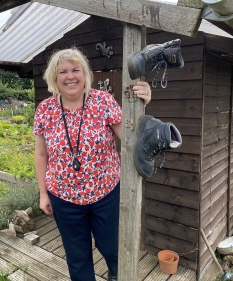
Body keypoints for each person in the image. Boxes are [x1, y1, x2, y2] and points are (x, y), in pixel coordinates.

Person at [33, 48, 152, 281]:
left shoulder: (103, 101)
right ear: (54, 78)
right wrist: (43, 194)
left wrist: (142, 105)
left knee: (112, 249)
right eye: (63, 71)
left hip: (105, 193)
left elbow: (131, 139)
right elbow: (40, 154)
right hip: (63, 197)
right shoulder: (45, 110)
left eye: (76, 69)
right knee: (77, 258)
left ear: (85, 74)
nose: (70, 76)